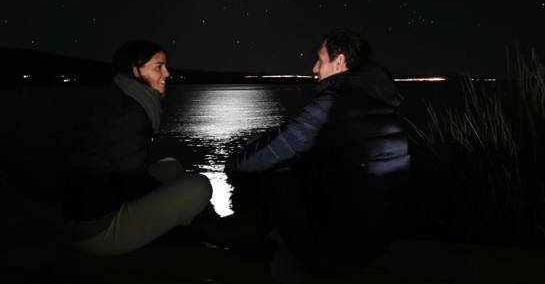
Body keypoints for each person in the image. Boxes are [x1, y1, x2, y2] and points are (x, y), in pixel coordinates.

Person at [226, 29, 410, 277]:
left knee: (268, 172)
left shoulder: (334, 104)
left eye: (320, 60)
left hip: (340, 246)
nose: (314, 68)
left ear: (339, 61)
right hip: (380, 234)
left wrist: (233, 163)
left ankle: (249, 247)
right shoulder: (380, 102)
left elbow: (263, 155)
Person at [63, 40, 213, 255]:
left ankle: (186, 221)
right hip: (98, 229)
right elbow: (130, 183)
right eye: (158, 67)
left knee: (170, 166)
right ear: (135, 71)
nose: (167, 73)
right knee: (199, 186)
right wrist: (165, 193)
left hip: (97, 202)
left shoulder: (122, 97)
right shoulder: (128, 114)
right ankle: (191, 230)